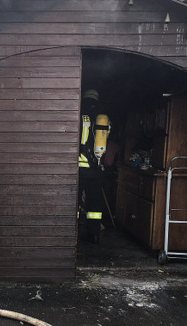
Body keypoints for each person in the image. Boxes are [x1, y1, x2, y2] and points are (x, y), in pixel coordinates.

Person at [78, 89, 111, 244]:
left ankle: (73, 234)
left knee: (75, 202)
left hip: (80, 166)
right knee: (95, 205)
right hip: (97, 167)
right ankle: (94, 235)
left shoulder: (79, 111)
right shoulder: (102, 117)